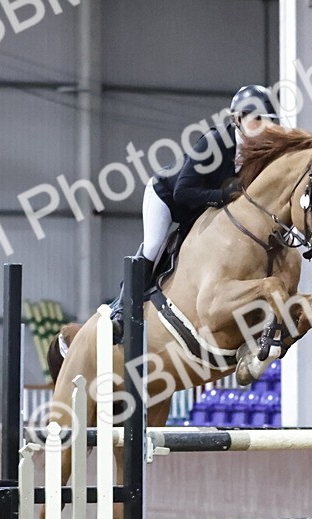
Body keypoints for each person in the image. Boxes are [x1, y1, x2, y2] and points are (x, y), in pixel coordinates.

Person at [108, 84, 280, 338]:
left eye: (268, 121)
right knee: (155, 245)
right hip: (167, 197)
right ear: (237, 119)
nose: (264, 127)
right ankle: (121, 310)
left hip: (202, 208)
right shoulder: (214, 142)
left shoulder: (261, 150)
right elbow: (182, 192)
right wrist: (222, 197)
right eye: (257, 120)